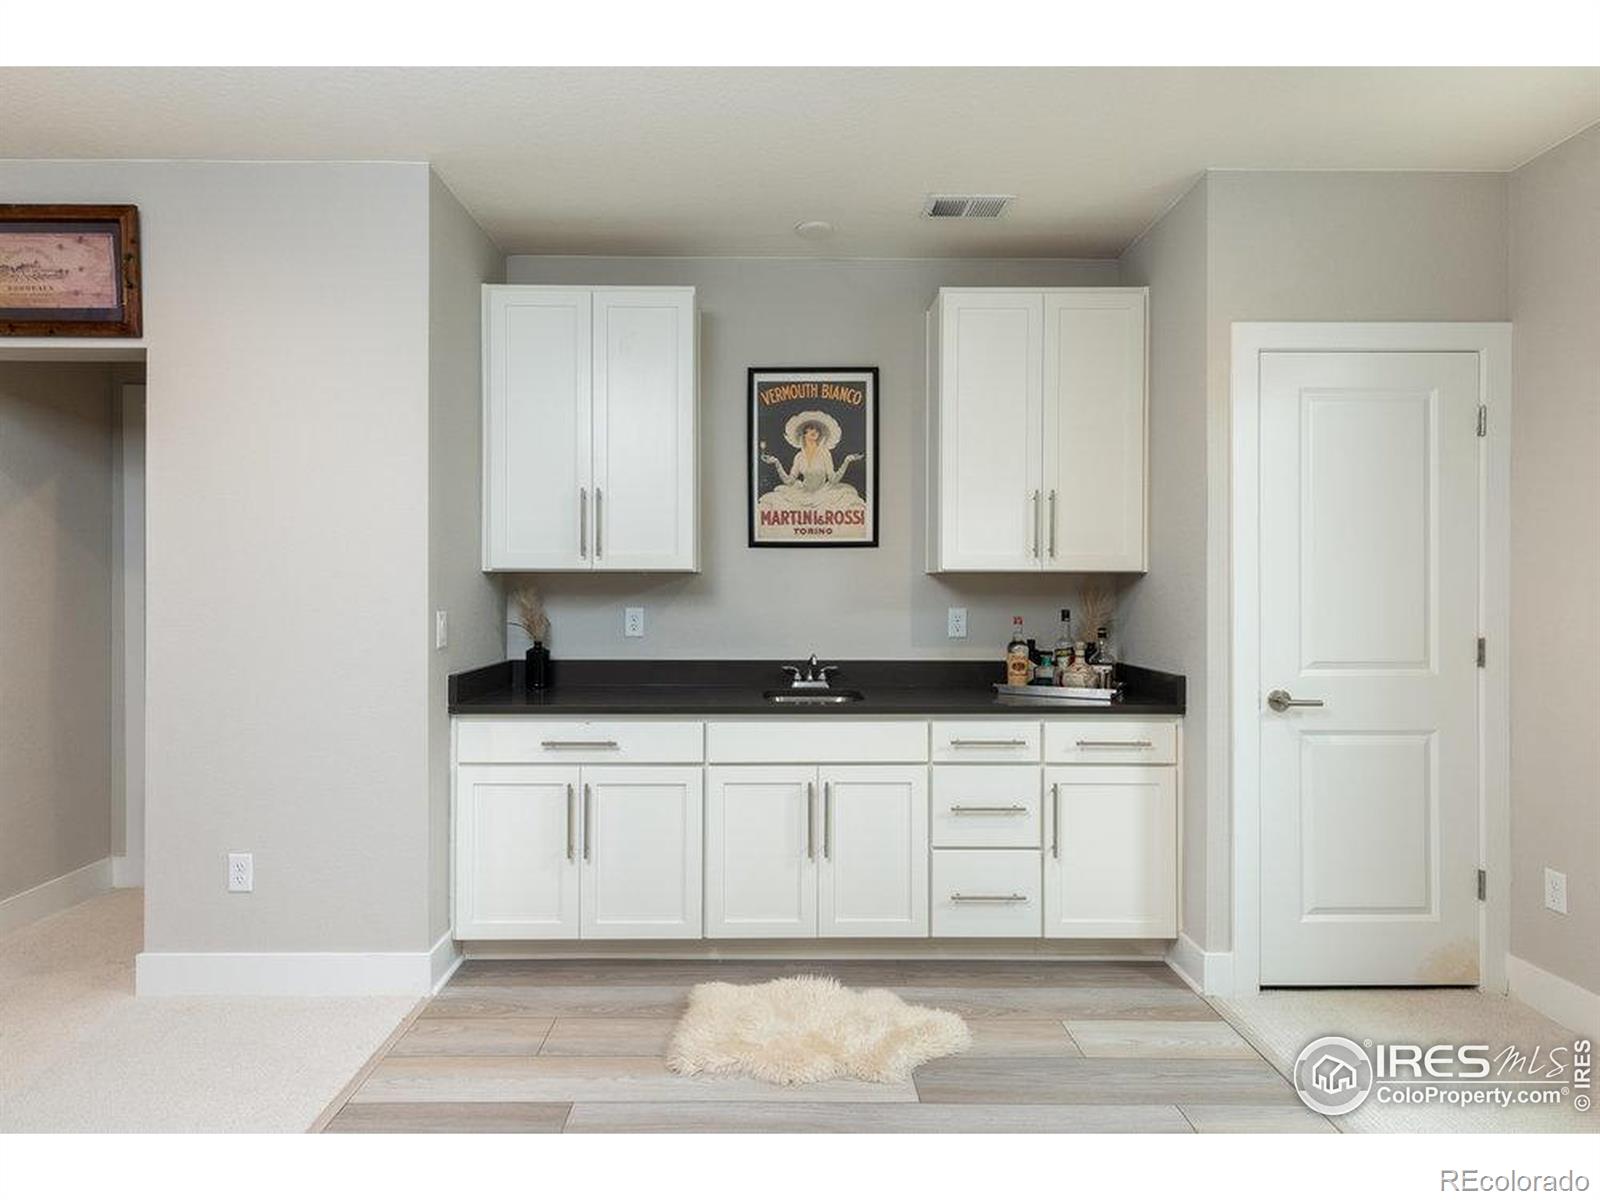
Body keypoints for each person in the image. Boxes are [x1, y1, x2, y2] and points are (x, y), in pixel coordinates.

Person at [758, 410, 865, 512]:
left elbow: (833, 480)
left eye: (816, 430)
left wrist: (847, 461)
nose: (814, 431)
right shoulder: (799, 456)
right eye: (810, 429)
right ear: (803, 434)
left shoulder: (825, 453)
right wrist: (776, 463)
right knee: (772, 501)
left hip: (824, 494)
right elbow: (789, 481)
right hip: (802, 494)